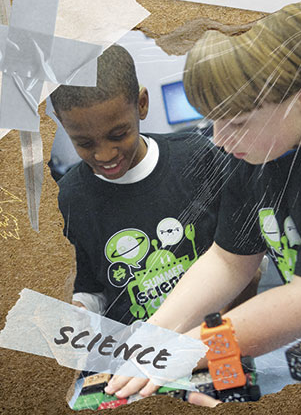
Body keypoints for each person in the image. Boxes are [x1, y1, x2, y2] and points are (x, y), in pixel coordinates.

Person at [103, 3, 301, 401]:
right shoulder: (252, 157)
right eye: (213, 120)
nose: (219, 139)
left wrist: (187, 349)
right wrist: (151, 336)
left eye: (236, 122)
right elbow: (229, 260)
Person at [49, 45, 231, 325]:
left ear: (141, 104)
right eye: (84, 143)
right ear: (62, 123)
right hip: (139, 349)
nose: (104, 155)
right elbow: (90, 289)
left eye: (118, 135)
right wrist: (80, 310)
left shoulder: (197, 157)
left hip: (218, 335)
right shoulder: (68, 200)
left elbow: (242, 254)